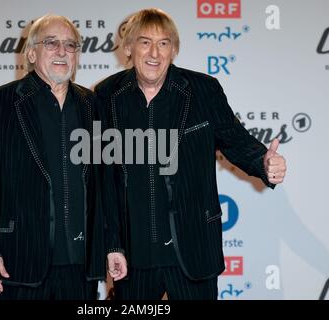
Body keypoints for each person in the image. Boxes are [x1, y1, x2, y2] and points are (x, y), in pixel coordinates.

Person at [95, 8, 286, 300]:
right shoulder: (107, 94)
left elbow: (234, 140)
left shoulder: (202, 89)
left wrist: (263, 162)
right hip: (134, 256)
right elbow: (104, 179)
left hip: (192, 248)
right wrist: (111, 243)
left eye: (163, 43)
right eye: (145, 42)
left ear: (174, 49)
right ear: (129, 48)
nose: (154, 53)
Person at [0, 14, 105, 300]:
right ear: (31, 52)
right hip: (18, 261)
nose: (62, 51)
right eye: (51, 43)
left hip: (80, 267)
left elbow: (102, 185)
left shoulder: (92, 104)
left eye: (70, 45)